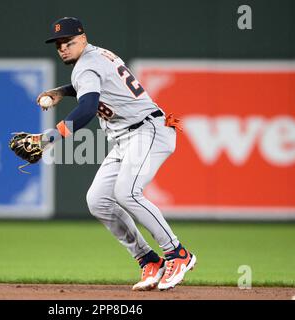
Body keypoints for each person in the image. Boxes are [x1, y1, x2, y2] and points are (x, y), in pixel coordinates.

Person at [36, 17, 196, 291]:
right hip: (126, 138)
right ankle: (149, 260)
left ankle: (177, 254)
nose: (63, 47)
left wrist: (52, 136)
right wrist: (63, 91)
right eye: (59, 44)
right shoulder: (97, 55)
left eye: (69, 42)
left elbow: (87, 109)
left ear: (83, 38)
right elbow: (93, 87)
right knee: (98, 200)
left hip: (148, 130)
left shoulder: (86, 66)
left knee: (127, 192)